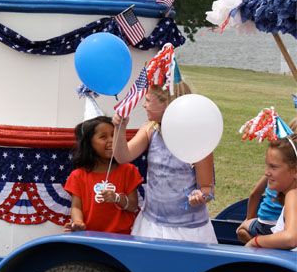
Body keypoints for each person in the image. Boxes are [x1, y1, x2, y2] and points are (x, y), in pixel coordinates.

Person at [112, 82, 218, 244]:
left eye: (148, 100)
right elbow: (122, 156)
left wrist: (201, 196)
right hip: (151, 224)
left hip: (187, 229)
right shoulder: (150, 129)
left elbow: (207, 188)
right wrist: (119, 128)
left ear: (167, 103)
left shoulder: (196, 139)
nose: (143, 105)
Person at [64, 116, 142, 234]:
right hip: (90, 237)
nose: (111, 140)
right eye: (103, 137)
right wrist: (78, 222)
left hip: (122, 237)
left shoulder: (128, 170)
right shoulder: (78, 175)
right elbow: (76, 207)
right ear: (89, 144)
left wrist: (117, 198)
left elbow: (133, 206)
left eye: (113, 134)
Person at [237, 116, 297, 243]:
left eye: (273, 167)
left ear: (295, 171)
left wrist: (256, 242)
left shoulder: (293, 195)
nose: (266, 172)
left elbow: (290, 238)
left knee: (243, 228)